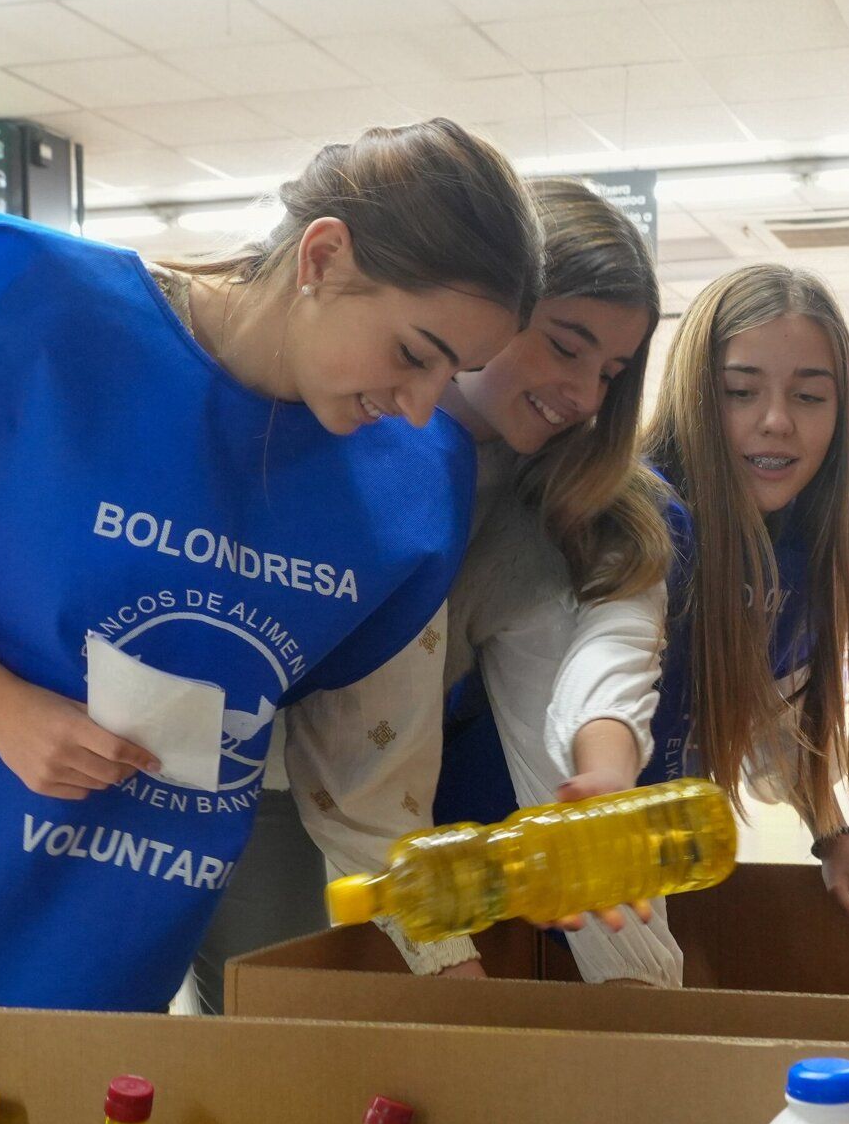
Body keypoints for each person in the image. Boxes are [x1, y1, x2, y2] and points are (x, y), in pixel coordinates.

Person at [0, 119, 542, 1014]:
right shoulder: (34, 318)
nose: (422, 405)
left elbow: (371, 785)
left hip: (108, 950)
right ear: (323, 256)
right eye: (412, 353)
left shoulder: (403, 493)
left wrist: (455, 973)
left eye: (455, 374)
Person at [381, 261, 849, 986]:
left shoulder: (801, 552)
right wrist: (608, 790)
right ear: (694, 395)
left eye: (810, 396)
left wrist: (834, 835)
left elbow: (776, 715)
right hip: (496, 872)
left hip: (619, 872)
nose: (776, 420)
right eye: (740, 392)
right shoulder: (639, 516)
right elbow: (601, 675)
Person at [285, 177, 677, 983]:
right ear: (493, 308)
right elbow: (362, 759)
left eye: (610, 372)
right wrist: (442, 959)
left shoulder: (561, 501)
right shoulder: (358, 441)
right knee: (261, 992)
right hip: (260, 779)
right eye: (565, 346)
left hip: (392, 805)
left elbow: (592, 665)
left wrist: (605, 778)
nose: (583, 395)